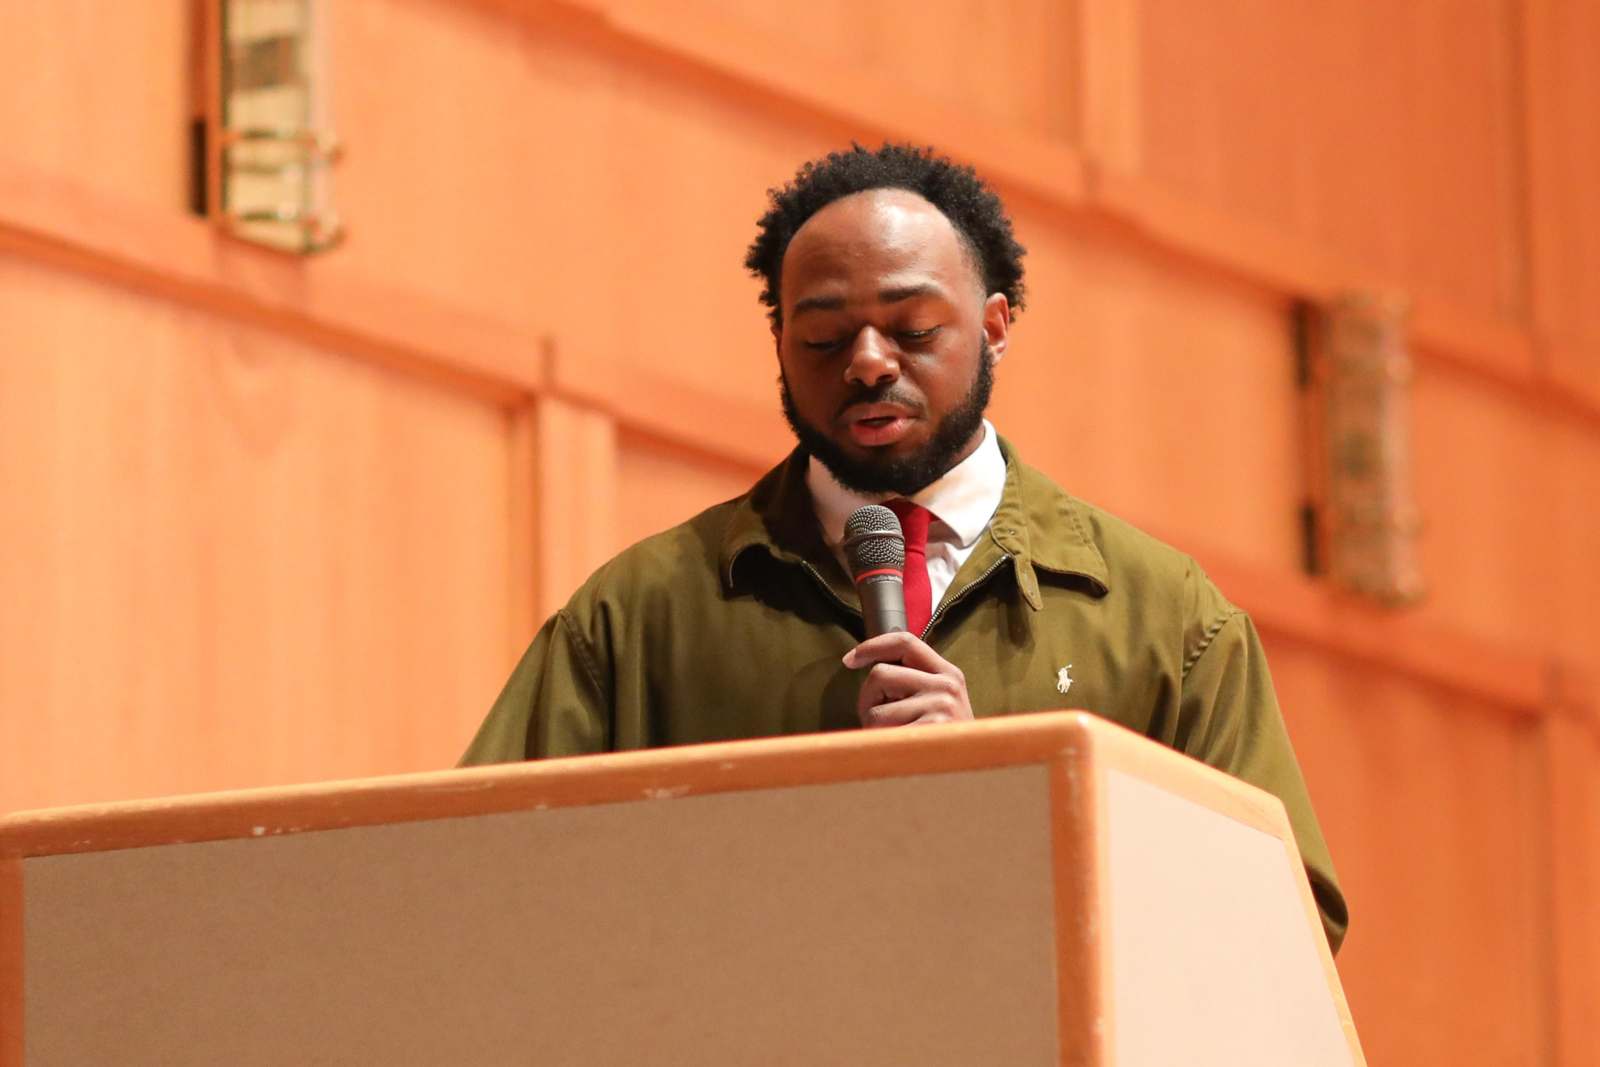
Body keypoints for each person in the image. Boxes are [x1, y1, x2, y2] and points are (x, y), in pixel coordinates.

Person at [460, 143, 1348, 950]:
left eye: (913, 329)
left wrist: (1011, 814)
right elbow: (471, 883)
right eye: (823, 336)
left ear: (995, 326)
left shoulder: (1164, 617)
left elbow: (1282, 929)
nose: (868, 362)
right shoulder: (641, 615)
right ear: (780, 344)